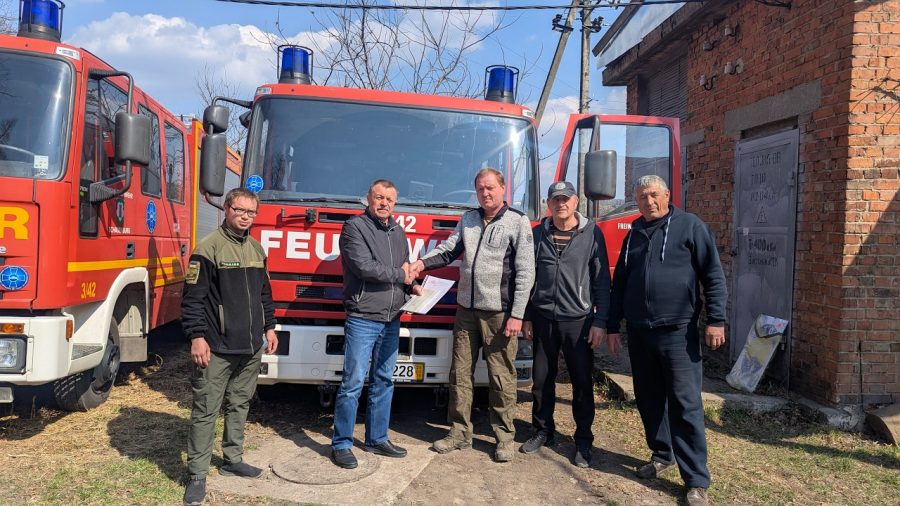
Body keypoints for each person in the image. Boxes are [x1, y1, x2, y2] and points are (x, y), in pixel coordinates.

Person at [606, 175, 726, 506]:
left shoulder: (690, 227)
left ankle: (696, 480)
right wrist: (613, 325)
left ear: (667, 195)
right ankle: (662, 454)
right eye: (642, 197)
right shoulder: (633, 234)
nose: (649, 202)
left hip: (678, 333)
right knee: (649, 399)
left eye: (654, 195)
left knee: (685, 403)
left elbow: (713, 275)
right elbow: (620, 284)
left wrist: (716, 320)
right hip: (640, 332)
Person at [411, 167, 535, 463]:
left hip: (500, 314)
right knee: (459, 373)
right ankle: (459, 433)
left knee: (501, 377)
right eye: (480, 189)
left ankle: (504, 438)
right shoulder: (468, 219)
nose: (485, 193)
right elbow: (448, 250)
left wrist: (517, 314)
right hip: (466, 311)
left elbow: (526, 272)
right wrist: (420, 264)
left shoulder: (518, 221)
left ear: (503, 188)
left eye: (490, 187)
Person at [180, 187, 278, 506]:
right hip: (217, 347)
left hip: (250, 346)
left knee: (240, 403)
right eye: (240, 210)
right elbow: (192, 300)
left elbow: (264, 294)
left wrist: (269, 327)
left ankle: (233, 460)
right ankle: (197, 475)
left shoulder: (256, 249)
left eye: (251, 212)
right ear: (227, 208)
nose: (245, 217)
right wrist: (197, 337)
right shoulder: (208, 249)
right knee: (206, 409)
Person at [330, 179, 422, 469]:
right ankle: (341, 444)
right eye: (379, 197)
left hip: (392, 318)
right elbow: (364, 268)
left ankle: (377, 438)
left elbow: (405, 269)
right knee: (353, 383)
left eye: (389, 199)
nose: (384, 203)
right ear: (368, 199)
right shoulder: (354, 228)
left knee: (384, 380)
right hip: (363, 316)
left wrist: (413, 286)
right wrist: (401, 275)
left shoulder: (398, 231)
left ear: (395, 204)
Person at [520, 181, 610, 468]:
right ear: (548, 203)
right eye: (556, 199)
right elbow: (527, 277)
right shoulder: (538, 234)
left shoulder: (592, 233)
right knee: (541, 380)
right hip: (543, 317)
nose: (561, 204)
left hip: (579, 321)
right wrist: (527, 315)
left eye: (566, 199)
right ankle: (542, 430)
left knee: (581, 382)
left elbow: (601, 281)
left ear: (575, 202)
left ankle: (583, 440)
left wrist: (600, 321)